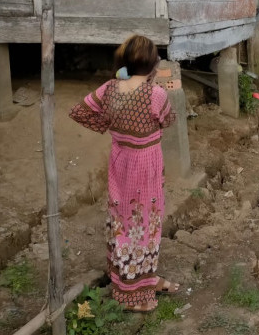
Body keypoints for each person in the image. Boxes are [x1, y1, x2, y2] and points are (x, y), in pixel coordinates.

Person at [70, 35, 179, 312]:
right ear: (153, 64)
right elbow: (167, 119)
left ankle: (140, 278)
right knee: (145, 222)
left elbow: (79, 111)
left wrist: (107, 124)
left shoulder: (109, 88)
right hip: (146, 164)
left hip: (121, 161)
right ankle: (132, 293)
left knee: (124, 219)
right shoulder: (156, 94)